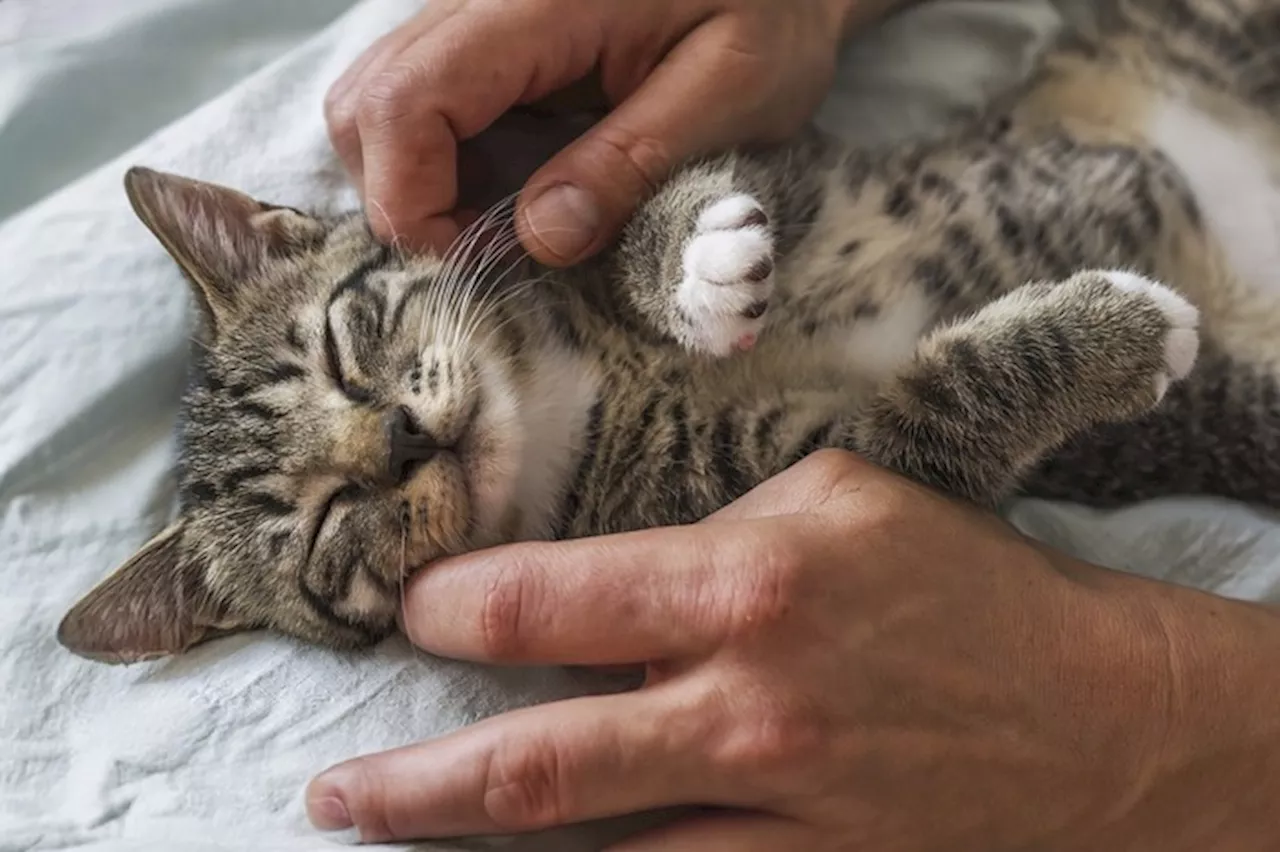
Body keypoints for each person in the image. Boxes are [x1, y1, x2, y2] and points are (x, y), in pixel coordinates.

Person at [308, 1, 1280, 847]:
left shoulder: (549, 274)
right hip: (1240, 351)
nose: (383, 445)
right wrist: (1026, 374)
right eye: (317, 523)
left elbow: (734, 203)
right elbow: (878, 491)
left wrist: (671, 241)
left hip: (1138, 82)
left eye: (341, 370)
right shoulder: (639, 516)